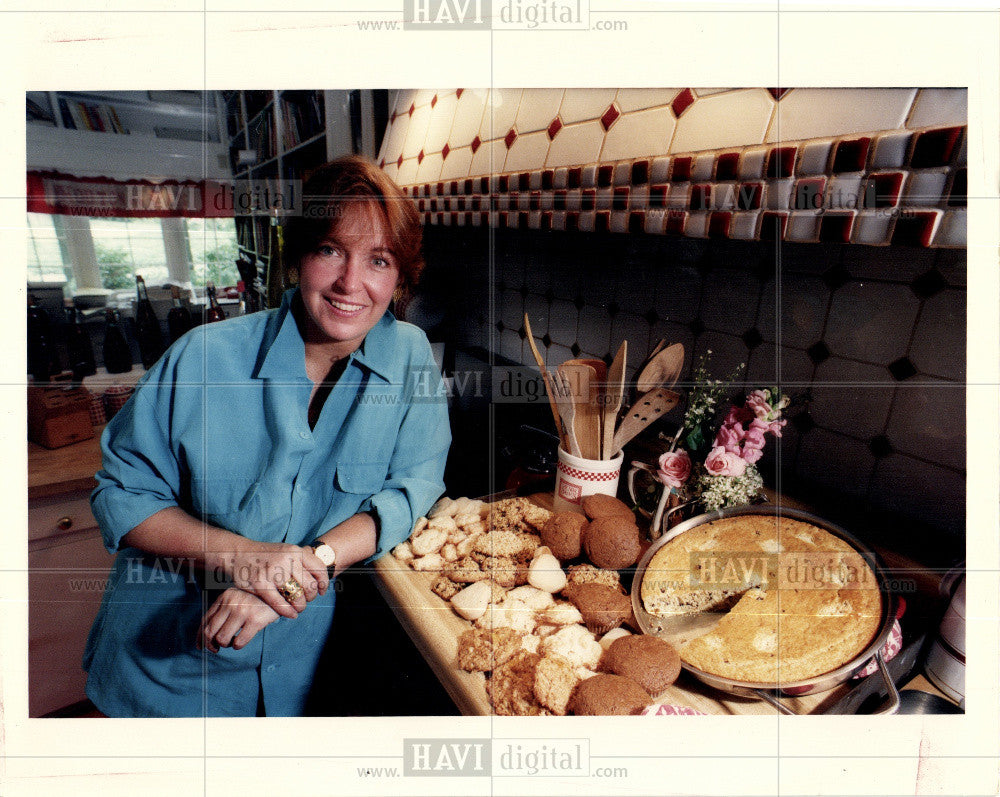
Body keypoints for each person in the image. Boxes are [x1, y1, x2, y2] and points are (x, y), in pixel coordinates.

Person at [83, 155, 451, 717]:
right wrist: (245, 558)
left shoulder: (411, 359)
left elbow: (413, 487)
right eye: (330, 250)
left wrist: (308, 568)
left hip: (301, 673)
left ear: (400, 277)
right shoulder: (203, 357)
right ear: (298, 256)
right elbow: (122, 496)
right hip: (170, 677)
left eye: (378, 260)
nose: (351, 283)